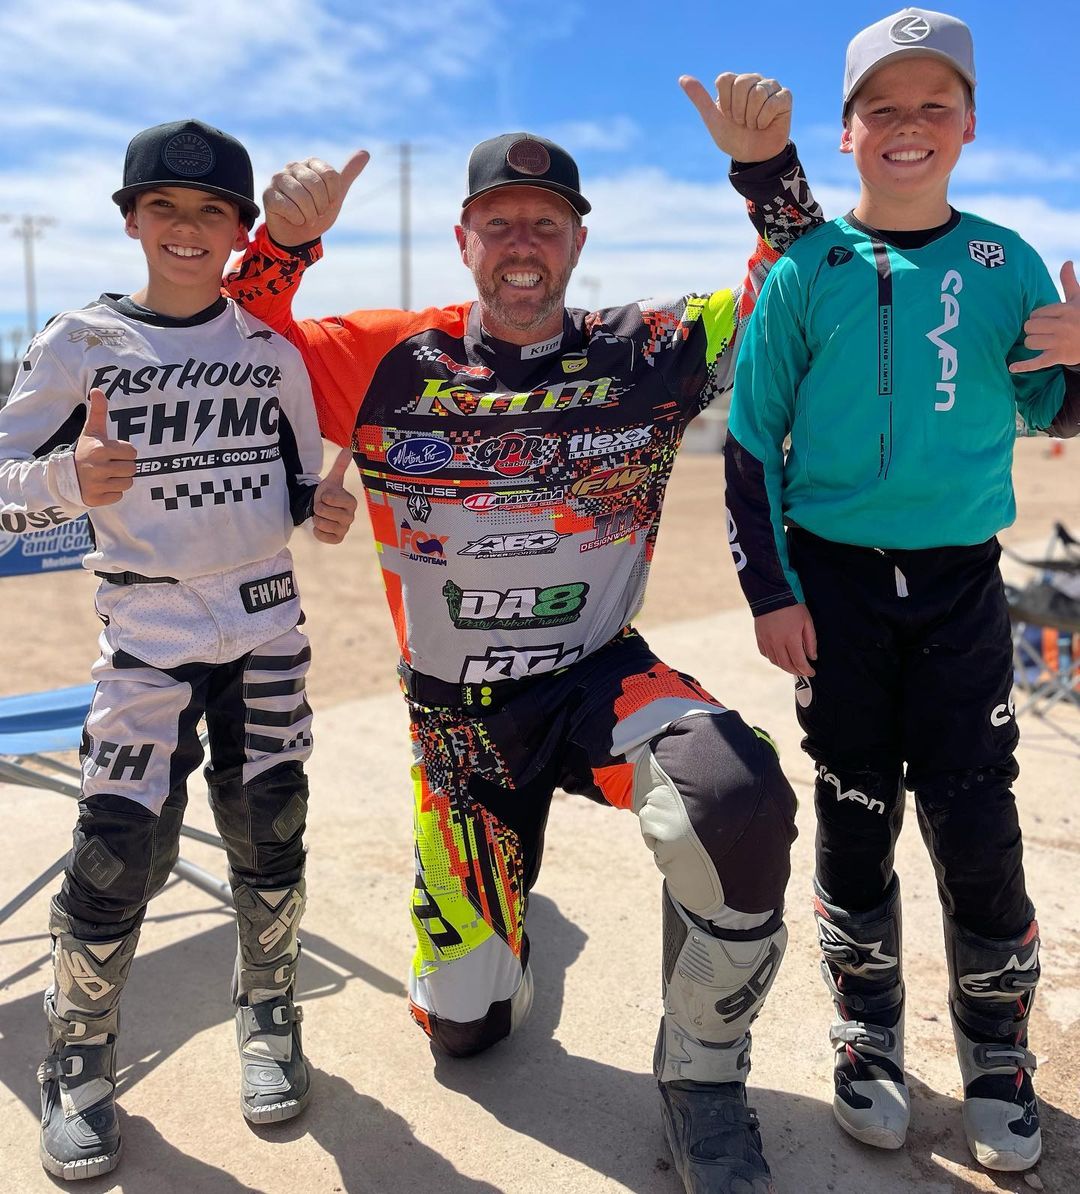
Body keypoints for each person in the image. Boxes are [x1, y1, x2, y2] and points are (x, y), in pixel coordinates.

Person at [225, 74, 823, 1193]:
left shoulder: (649, 349)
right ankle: (501, 931)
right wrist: (283, 246)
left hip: (600, 681)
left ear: (578, 242)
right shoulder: (387, 357)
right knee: (467, 1034)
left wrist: (767, 173)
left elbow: (797, 289)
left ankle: (702, 1079)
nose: (521, 244)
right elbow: (231, 349)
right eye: (497, 223)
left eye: (545, 225)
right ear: (463, 240)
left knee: (738, 800)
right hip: (459, 730)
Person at [723, 7, 1080, 1174]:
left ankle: (996, 1047)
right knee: (853, 807)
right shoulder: (806, 270)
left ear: (969, 124)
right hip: (832, 587)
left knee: (976, 816)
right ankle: (868, 1030)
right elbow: (750, 442)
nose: (908, 125)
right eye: (883, 108)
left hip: (961, 586)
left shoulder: (1008, 262)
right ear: (848, 133)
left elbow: (1055, 410)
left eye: (934, 105)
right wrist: (772, 595)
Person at [0, 118, 358, 1180]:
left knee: (272, 832)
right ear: (131, 220)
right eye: (165, 207)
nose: (188, 228)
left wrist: (323, 512)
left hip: (267, 630)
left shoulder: (273, 352)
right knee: (115, 852)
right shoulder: (79, 340)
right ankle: (78, 1057)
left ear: (240, 230)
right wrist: (65, 481)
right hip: (146, 640)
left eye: (212, 212)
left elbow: (296, 489)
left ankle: (270, 1014)